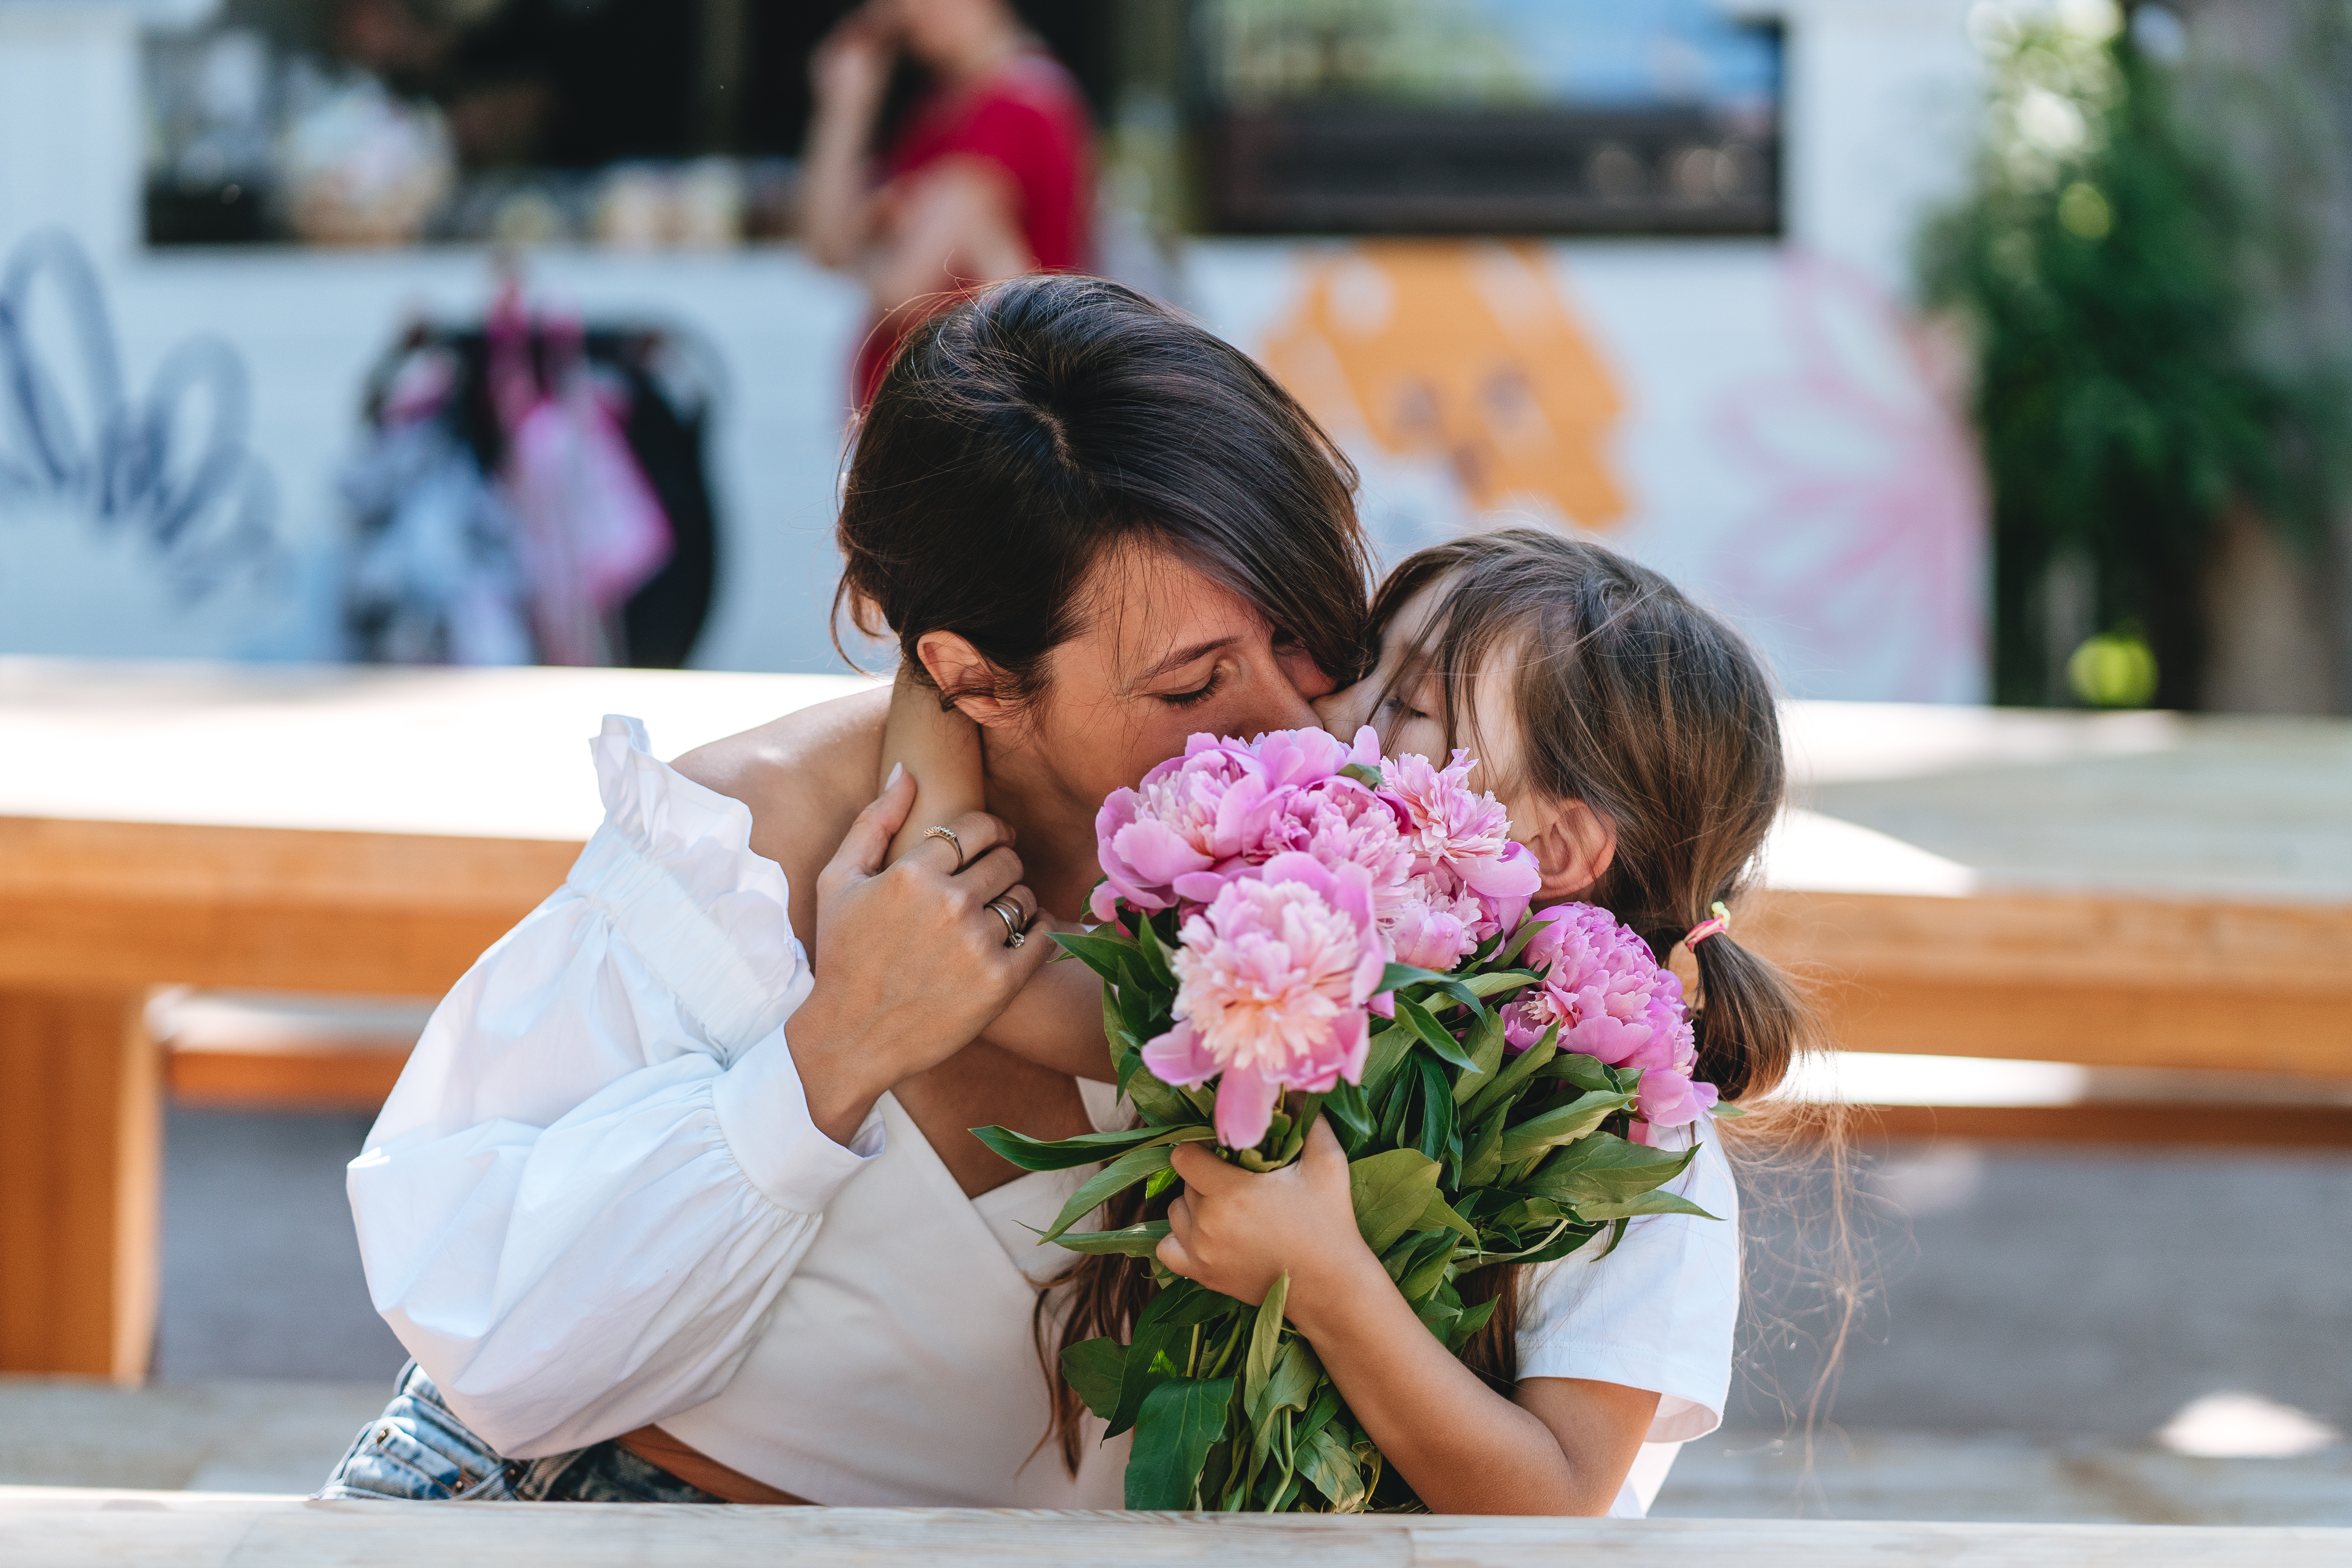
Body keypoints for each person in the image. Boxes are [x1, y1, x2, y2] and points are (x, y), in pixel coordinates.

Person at [321, 275, 1370, 1506]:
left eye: (1306, 630)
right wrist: (827, 1055)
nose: (1291, 715)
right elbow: (496, 1350)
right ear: (971, 676)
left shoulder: (1382, 809)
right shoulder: (741, 855)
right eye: (1191, 689)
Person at [885, 526, 1811, 1516]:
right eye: (1361, 667)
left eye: (1403, 704)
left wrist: (1326, 1283)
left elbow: (1557, 1504)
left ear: (1555, 843)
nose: (1321, 708)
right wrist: (943, 665)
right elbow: (987, 970)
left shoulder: (1636, 1136)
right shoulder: (1274, 970)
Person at [798, 0, 1094, 407]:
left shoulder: (1018, 107)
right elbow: (826, 246)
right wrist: (848, 104)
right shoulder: (943, 107)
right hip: (937, 425)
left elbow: (900, 294)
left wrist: (882, 240)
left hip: (970, 426)